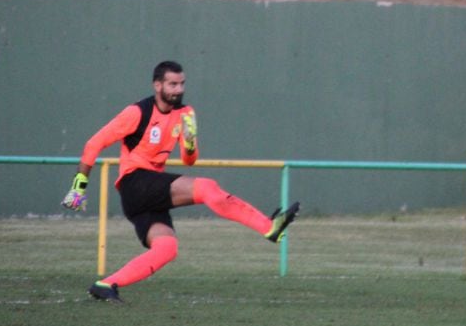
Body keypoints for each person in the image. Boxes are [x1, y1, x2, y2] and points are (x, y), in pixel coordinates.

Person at [60, 60, 300, 303]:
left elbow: (189, 160)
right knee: (207, 188)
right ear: (157, 85)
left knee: (167, 248)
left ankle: (106, 285)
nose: (178, 89)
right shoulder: (137, 112)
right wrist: (78, 188)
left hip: (149, 193)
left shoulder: (185, 114)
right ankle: (269, 227)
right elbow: (94, 144)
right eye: (172, 84)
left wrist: (189, 142)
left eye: (181, 84)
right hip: (135, 183)